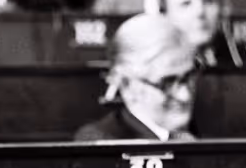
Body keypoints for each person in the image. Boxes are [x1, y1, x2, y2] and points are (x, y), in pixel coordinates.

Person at [75, 14, 200, 142]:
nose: (185, 95)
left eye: (189, 77)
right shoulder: (101, 142)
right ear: (127, 84)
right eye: (167, 83)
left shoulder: (202, 127)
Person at [159, 0, 242, 68]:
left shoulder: (241, 62)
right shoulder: (154, 71)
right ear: (165, 15)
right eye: (186, 3)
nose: (200, 12)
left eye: (208, 1)